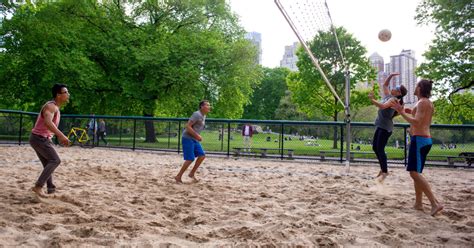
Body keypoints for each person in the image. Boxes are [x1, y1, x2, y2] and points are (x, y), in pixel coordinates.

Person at [393, 79, 443, 216]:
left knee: (414, 173)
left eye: (416, 86)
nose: (414, 88)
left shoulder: (423, 102)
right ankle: (418, 204)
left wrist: (401, 112)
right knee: (416, 174)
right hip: (423, 139)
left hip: (420, 140)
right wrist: (407, 110)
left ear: (420, 88)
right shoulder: (425, 103)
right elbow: (419, 116)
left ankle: (435, 203)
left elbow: (417, 121)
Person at [30, 84, 70, 197]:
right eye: (66, 92)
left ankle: (51, 188)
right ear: (58, 95)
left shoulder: (55, 107)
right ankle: (38, 186)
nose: (68, 94)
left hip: (38, 138)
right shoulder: (51, 106)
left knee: (48, 163)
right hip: (39, 139)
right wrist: (61, 136)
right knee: (55, 160)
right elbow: (48, 122)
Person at [368, 72, 407, 183]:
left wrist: (372, 99)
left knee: (379, 149)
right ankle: (382, 169)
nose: (393, 88)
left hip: (385, 128)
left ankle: (385, 171)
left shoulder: (394, 100)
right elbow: (385, 85)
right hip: (381, 125)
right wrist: (390, 76)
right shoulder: (389, 96)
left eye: (396, 88)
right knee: (375, 148)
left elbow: (382, 106)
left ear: (399, 93)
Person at [175, 100, 211, 183]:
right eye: (207, 105)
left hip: (194, 139)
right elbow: (187, 126)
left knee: (202, 156)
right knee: (190, 158)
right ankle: (178, 176)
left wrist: (196, 136)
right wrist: (197, 136)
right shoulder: (197, 114)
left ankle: (191, 173)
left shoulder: (203, 115)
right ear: (202, 107)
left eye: (209, 105)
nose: (209, 107)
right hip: (187, 138)